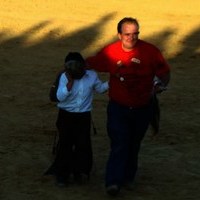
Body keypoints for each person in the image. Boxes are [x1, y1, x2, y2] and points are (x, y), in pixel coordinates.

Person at [86, 17, 170, 196]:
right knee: (120, 143)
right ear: (119, 35)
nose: (131, 38)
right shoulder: (110, 52)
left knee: (133, 144)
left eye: (135, 34)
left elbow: (164, 72)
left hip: (143, 108)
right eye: (127, 34)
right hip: (119, 108)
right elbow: (90, 63)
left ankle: (128, 177)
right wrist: (69, 68)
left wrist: (160, 87)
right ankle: (113, 181)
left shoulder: (150, 51)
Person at [45, 52, 109, 187]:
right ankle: (62, 175)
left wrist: (112, 81)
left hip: (83, 117)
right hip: (66, 116)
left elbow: (101, 89)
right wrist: (69, 85)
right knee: (65, 145)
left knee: (82, 145)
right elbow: (60, 97)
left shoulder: (91, 75)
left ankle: (78, 172)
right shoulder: (64, 77)